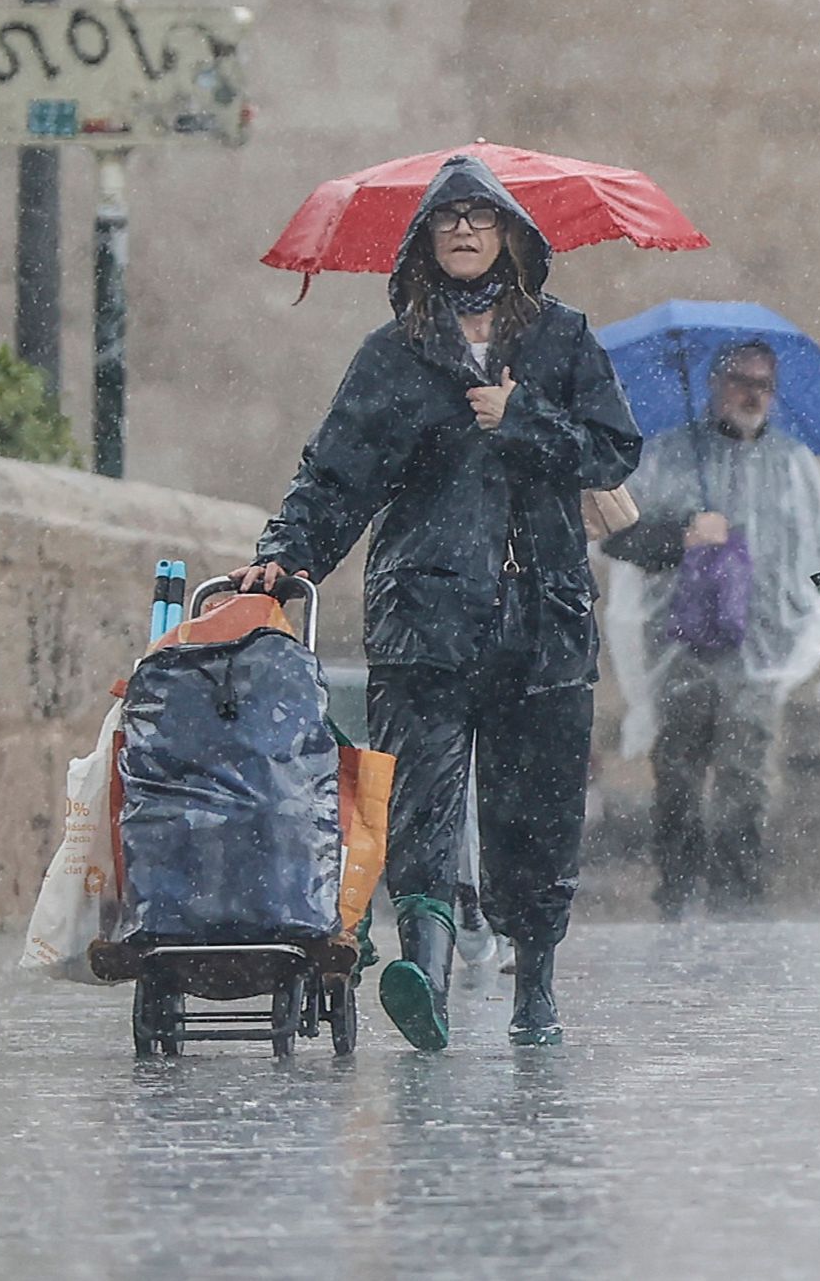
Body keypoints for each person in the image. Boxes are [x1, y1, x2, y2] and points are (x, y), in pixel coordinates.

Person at [239, 156, 639, 1049]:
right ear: (423, 238)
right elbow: (335, 476)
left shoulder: (563, 340)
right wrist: (284, 556)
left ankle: (535, 979)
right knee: (421, 795)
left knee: (532, 807)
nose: (463, 230)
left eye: (480, 216)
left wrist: (524, 416)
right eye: (447, 217)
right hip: (424, 608)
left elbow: (613, 452)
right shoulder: (393, 354)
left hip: (544, 617)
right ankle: (424, 967)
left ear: (509, 235)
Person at [599, 340, 820, 917]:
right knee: (678, 777)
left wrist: (790, 615)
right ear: (714, 383)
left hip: (757, 655)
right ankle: (677, 891)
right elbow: (617, 535)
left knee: (745, 778)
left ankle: (740, 898)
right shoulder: (668, 456)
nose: (752, 394)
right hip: (677, 650)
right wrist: (681, 533)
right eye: (740, 380)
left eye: (764, 384)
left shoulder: (792, 465)